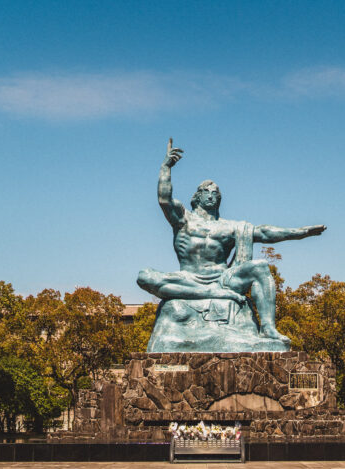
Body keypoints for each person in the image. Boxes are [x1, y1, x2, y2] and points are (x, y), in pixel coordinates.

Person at [137, 139, 325, 343]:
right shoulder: (183, 219)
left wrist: (301, 232)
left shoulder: (231, 227)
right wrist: (166, 167)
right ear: (197, 196)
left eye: (215, 193)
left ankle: (269, 329)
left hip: (223, 279)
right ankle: (208, 292)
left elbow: (264, 233)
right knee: (144, 276)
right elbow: (164, 199)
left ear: (219, 198)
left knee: (260, 267)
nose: (211, 196)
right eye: (206, 192)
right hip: (188, 278)